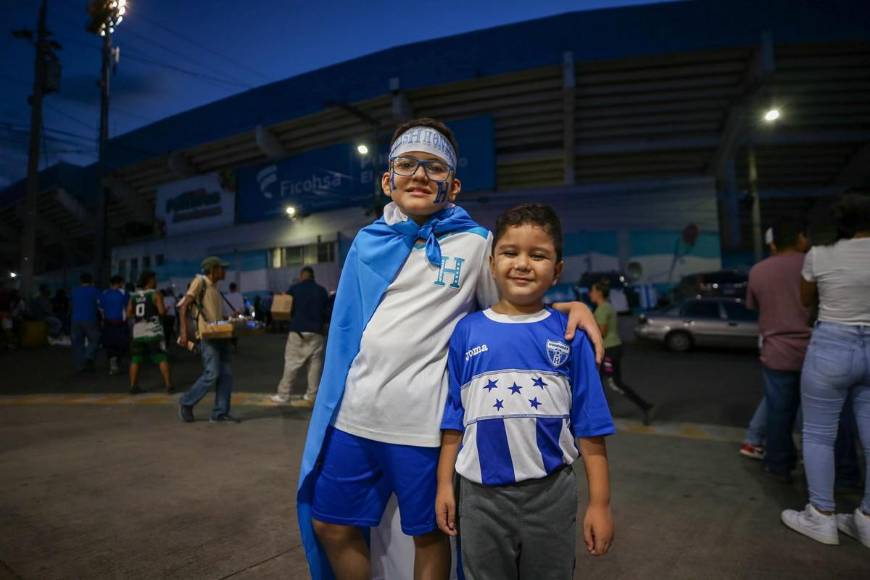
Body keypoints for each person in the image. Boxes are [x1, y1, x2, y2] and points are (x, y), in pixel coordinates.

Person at [298, 118, 603, 580]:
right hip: (354, 416)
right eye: (407, 164)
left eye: (434, 167)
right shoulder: (366, 243)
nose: (420, 175)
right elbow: (347, 331)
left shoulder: (476, 244)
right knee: (330, 524)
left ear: (454, 186)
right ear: (388, 180)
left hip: (422, 426)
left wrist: (570, 306)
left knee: (429, 535)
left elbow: (515, 299)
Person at [436, 204, 615, 579]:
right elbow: (455, 417)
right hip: (479, 498)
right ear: (491, 261)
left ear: (558, 269)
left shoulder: (570, 335)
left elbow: (590, 425)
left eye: (538, 255)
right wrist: (444, 486)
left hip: (551, 496)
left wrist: (600, 503)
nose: (522, 264)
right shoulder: (466, 332)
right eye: (510, 252)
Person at [782, 192, 870, 547]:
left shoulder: (819, 254)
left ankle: (821, 515)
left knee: (818, 433)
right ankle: (866, 518)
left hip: (832, 342)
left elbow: (805, 298)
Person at [743, 219, 811, 480]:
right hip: (813, 348)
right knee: (819, 416)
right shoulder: (811, 263)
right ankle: (829, 468)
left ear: (773, 243)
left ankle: (779, 464)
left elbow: (753, 305)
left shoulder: (759, 270)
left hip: (776, 351)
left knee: (778, 412)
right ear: (799, 238)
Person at [177, 256, 239, 423]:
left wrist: (229, 317)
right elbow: (183, 307)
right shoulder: (200, 281)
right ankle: (186, 401)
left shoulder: (216, 289)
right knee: (212, 373)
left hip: (220, 335)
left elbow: (213, 315)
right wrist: (183, 333)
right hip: (207, 336)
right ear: (213, 270)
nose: (224, 271)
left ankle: (220, 413)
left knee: (226, 375)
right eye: (221, 268)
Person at [590, 280, 655, 425]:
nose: (590, 294)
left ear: (599, 292)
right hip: (609, 349)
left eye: (592, 291)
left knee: (615, 383)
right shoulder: (607, 306)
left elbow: (601, 332)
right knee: (595, 382)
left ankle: (645, 406)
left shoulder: (602, 309)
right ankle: (596, 414)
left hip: (609, 351)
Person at [271, 266, 329, 407]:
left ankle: (284, 395)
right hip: (317, 332)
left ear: (302, 276)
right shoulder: (322, 291)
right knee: (314, 364)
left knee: (292, 362)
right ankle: (312, 395)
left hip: (298, 331)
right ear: (313, 276)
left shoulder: (295, 289)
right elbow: (327, 312)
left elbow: (285, 306)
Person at [128, 271, 172, 394]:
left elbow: (128, 313)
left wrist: (139, 316)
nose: (156, 281)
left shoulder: (134, 296)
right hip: (153, 329)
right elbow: (162, 312)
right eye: (154, 279)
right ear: (149, 280)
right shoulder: (156, 294)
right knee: (161, 356)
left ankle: (133, 385)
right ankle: (168, 384)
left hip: (138, 330)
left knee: (135, 358)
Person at [71, 273, 101, 372]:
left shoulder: (75, 290)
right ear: (91, 280)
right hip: (90, 319)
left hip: (75, 320)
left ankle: (80, 366)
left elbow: (71, 304)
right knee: (94, 339)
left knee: (78, 343)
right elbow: (100, 304)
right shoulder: (94, 290)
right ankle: (89, 356)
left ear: (80, 281)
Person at [100, 275, 129, 375]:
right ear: (120, 283)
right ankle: (115, 361)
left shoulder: (104, 293)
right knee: (122, 343)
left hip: (108, 322)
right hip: (120, 322)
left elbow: (101, 309)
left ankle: (113, 362)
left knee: (110, 344)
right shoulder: (123, 293)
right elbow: (127, 307)